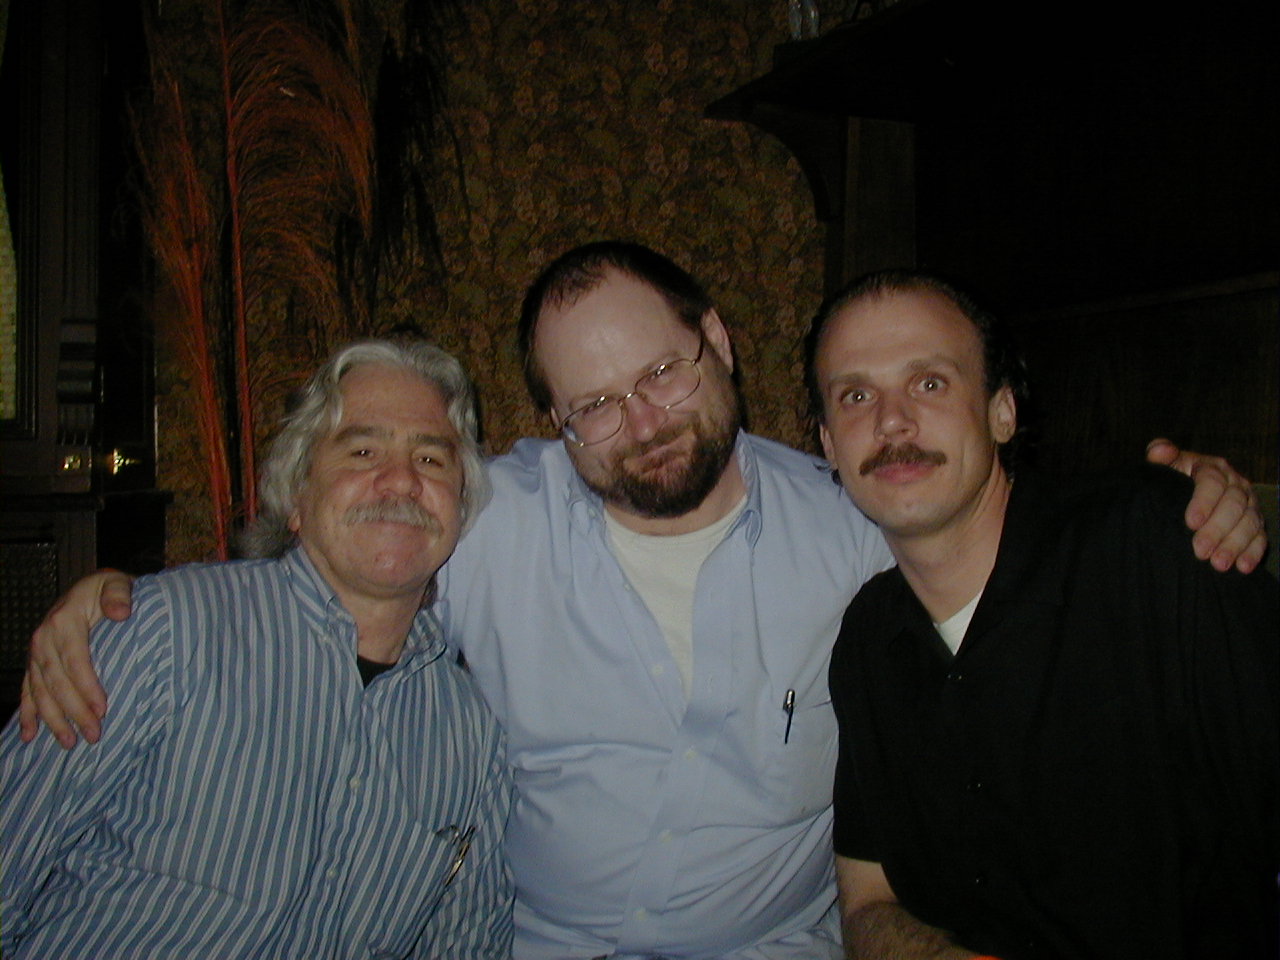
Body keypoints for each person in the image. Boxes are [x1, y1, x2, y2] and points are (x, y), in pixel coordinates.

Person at [18, 244, 1268, 960]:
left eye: (661, 370)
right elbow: (347, 541)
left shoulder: (851, 522)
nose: (639, 422)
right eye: (592, 403)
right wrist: (129, 603)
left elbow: (992, 534)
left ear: (718, 341)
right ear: (550, 424)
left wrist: (1203, 497)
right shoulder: (486, 518)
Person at [808, 270, 1279, 960]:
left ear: (1003, 411)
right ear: (827, 443)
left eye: (930, 383)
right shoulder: (868, 639)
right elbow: (869, 904)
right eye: (856, 395)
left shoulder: (1152, 544)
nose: (892, 422)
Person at [1, 340, 514, 959]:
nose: (401, 479)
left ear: (460, 506)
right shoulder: (167, 632)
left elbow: (465, 946)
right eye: (362, 450)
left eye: (432, 459)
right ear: (296, 497)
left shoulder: (469, 734)